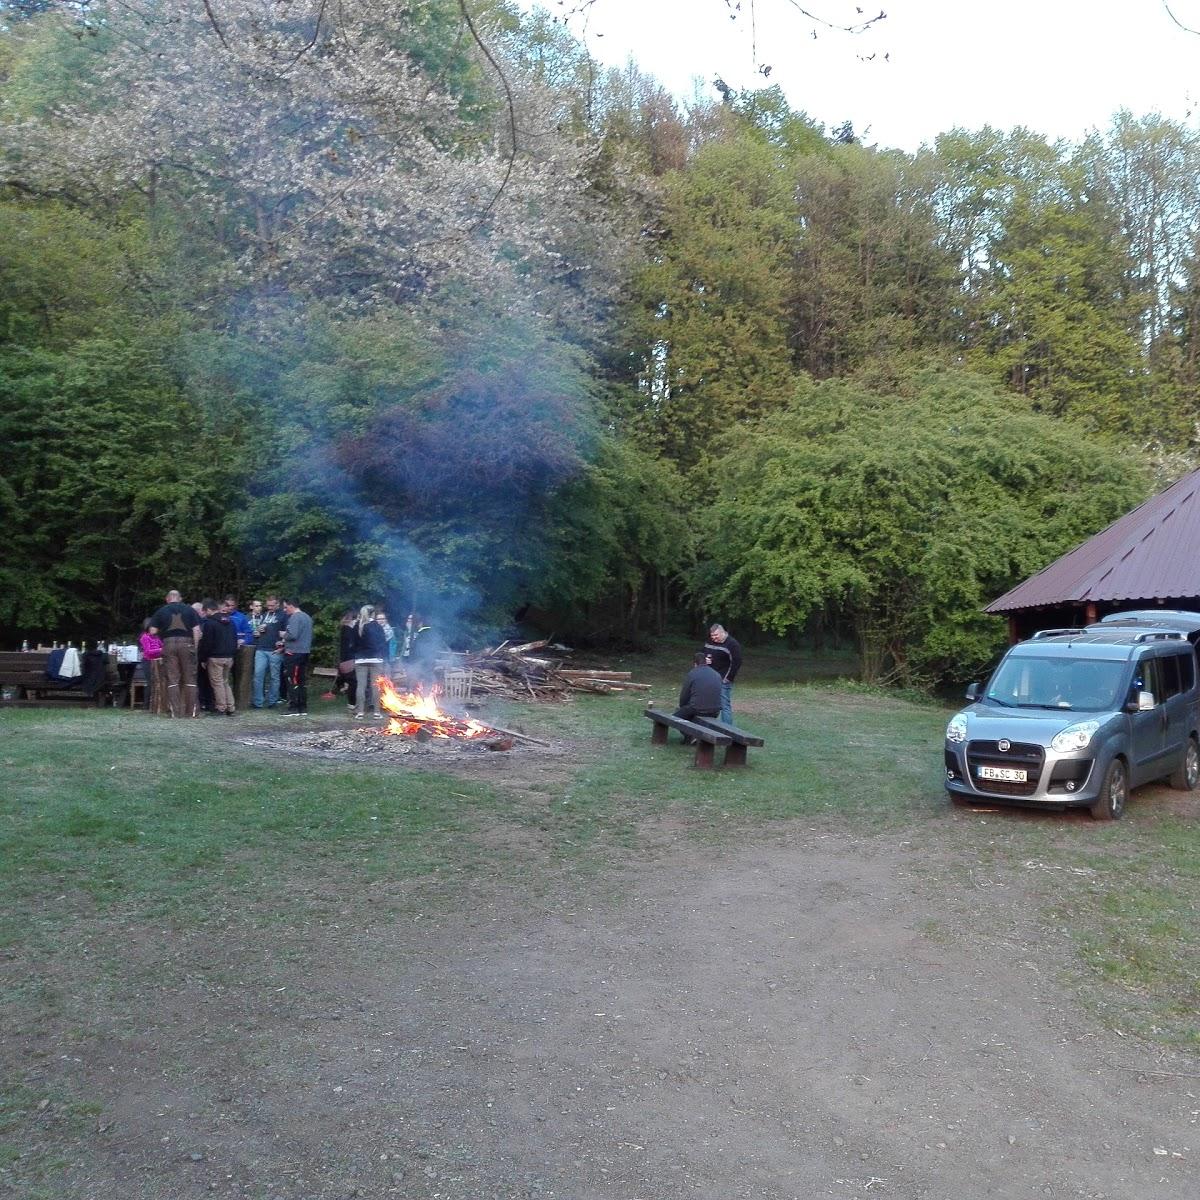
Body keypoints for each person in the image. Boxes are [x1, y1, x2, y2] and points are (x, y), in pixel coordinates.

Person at [148, 588, 201, 718]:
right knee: (190, 678)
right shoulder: (190, 610)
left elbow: (152, 631)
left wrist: (162, 632)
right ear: (180, 598)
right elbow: (197, 630)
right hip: (187, 644)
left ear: (167, 599)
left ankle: (175, 712)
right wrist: (195, 647)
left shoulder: (161, 611)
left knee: (173, 678)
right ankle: (192, 712)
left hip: (169, 644)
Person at [198, 598, 239, 715]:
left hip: (215, 657)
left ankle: (221, 708)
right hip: (229, 657)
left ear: (210, 610)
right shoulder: (230, 621)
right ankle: (231, 708)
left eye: (206, 612)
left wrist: (203, 658)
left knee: (217, 683)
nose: (205, 614)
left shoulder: (210, 623)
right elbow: (234, 639)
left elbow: (207, 643)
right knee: (225, 682)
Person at [674, 650, 723, 741]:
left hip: (697, 708)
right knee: (692, 714)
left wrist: (682, 706)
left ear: (695, 664)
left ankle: (690, 736)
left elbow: (684, 695)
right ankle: (696, 735)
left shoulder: (693, 673)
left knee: (675, 718)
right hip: (715, 710)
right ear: (706, 662)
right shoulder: (717, 674)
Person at [353, 604, 389, 719]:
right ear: (373, 613)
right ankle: (377, 712)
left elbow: (353, 643)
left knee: (361, 686)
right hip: (376, 659)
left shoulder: (357, 626)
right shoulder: (377, 626)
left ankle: (360, 712)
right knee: (375, 686)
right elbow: (383, 643)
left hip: (360, 659)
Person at [252, 594, 287, 708]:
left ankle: (273, 701)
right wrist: (258, 631)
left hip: (274, 650)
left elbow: (287, 633)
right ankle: (258, 702)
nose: (270, 607)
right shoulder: (264, 615)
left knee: (274, 677)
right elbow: (257, 631)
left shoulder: (283, 615)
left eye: (272, 605)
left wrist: (282, 646)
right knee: (258, 675)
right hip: (261, 648)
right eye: (268, 605)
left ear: (278, 604)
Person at [704, 622, 742, 725]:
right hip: (709, 677)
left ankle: (728, 730)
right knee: (707, 703)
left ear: (722, 633)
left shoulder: (733, 644)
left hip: (723, 680)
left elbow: (737, 662)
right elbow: (702, 652)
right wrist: (704, 658)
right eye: (712, 636)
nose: (714, 638)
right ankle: (706, 726)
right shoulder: (709, 641)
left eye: (716, 635)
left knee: (724, 705)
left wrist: (728, 678)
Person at [280, 598, 313, 715]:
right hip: (304, 652)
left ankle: (293, 707)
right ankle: (303, 707)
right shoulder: (307, 617)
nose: (284, 610)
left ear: (291, 606)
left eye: (285, 607)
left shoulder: (294, 617)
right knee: (301, 680)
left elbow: (293, 635)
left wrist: (284, 635)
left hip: (293, 653)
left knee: (291, 680)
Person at [334, 608, 359, 712]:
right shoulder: (347, 629)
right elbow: (351, 645)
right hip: (349, 659)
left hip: (346, 659)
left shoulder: (345, 629)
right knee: (353, 682)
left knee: (352, 682)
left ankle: (352, 702)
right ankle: (352, 704)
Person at [138, 619, 165, 715]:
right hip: (148, 662)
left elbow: (163, 646)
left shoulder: (157, 638)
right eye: (153, 627)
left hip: (157, 662)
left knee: (158, 682)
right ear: (148, 627)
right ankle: (147, 705)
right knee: (151, 682)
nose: (155, 629)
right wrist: (161, 649)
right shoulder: (144, 637)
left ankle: (158, 704)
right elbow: (148, 651)